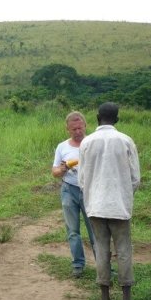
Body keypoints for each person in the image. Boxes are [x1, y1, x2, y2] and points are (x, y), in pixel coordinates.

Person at [78, 102, 140, 300]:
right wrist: (123, 196)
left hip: (95, 206)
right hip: (119, 207)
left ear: (97, 118)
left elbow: (82, 179)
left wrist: (93, 198)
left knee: (101, 250)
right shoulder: (126, 141)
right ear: (117, 119)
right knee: (123, 250)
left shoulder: (87, 142)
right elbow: (135, 179)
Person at [52, 111, 96, 277]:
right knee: (73, 231)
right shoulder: (62, 147)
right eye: (73, 129)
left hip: (90, 190)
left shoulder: (93, 143)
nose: (78, 132)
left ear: (85, 125)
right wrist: (63, 169)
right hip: (69, 189)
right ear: (67, 129)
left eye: (80, 128)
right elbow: (55, 171)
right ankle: (78, 264)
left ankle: (104, 265)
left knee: (95, 230)